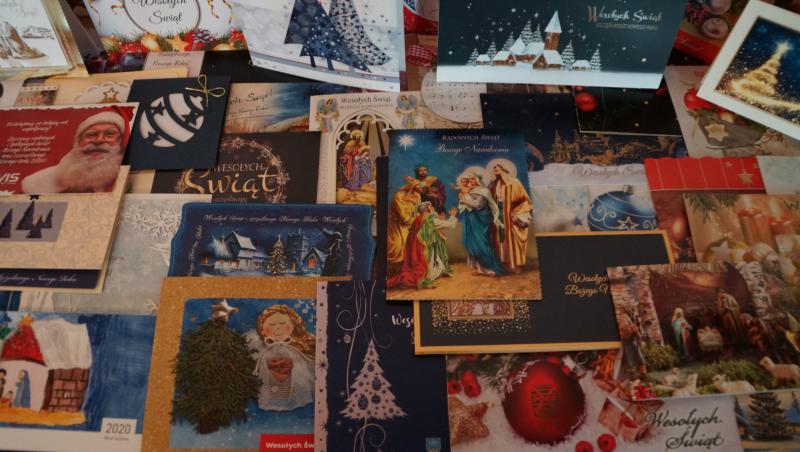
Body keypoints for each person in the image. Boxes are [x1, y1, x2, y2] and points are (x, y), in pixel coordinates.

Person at [21, 111, 126, 194]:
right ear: (77, 142)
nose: (99, 140)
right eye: (91, 135)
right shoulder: (38, 182)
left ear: (120, 141)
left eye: (109, 134)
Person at [246, 305, 315, 411]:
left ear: (293, 324)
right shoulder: (262, 348)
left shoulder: (294, 349)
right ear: (262, 330)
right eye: (271, 324)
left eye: (283, 323)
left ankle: (291, 398)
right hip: (269, 385)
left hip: (290, 382)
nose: (277, 327)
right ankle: (271, 399)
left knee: (295, 372)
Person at [388, 202, 458, 289]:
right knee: (428, 267)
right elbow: (448, 224)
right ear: (426, 209)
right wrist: (453, 216)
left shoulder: (418, 218)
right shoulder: (429, 218)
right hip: (423, 247)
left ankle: (433, 272)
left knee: (436, 263)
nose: (433, 208)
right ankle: (427, 278)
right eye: (431, 206)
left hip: (416, 246)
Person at [487, 161, 532, 274]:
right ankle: (502, 264)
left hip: (509, 215)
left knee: (511, 239)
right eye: (493, 169)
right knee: (499, 239)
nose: (494, 170)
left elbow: (525, 201)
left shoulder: (514, 182)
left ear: (503, 169)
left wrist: (517, 213)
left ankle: (514, 264)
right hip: (498, 215)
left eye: (496, 168)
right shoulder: (494, 184)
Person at [459, 172, 505, 276]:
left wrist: (465, 200)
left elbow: (478, 205)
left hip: (481, 221)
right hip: (471, 220)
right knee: (473, 243)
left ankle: (490, 268)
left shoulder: (484, 191)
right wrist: (463, 201)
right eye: (469, 179)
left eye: (473, 179)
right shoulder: (471, 191)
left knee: (482, 244)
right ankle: (479, 269)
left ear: (478, 179)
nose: (470, 181)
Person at [387, 180, 422, 265]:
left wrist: (415, 208)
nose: (418, 190)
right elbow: (405, 218)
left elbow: (417, 210)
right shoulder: (399, 196)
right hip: (396, 225)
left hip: (410, 224)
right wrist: (415, 217)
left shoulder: (417, 196)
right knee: (397, 245)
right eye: (416, 187)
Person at [618, 306, 647, 377]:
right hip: (628, 339)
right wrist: (633, 329)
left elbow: (635, 326)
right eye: (631, 308)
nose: (633, 310)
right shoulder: (623, 317)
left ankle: (643, 373)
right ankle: (633, 373)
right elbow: (624, 328)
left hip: (633, 338)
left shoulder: (632, 316)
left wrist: (636, 329)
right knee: (630, 356)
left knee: (638, 355)